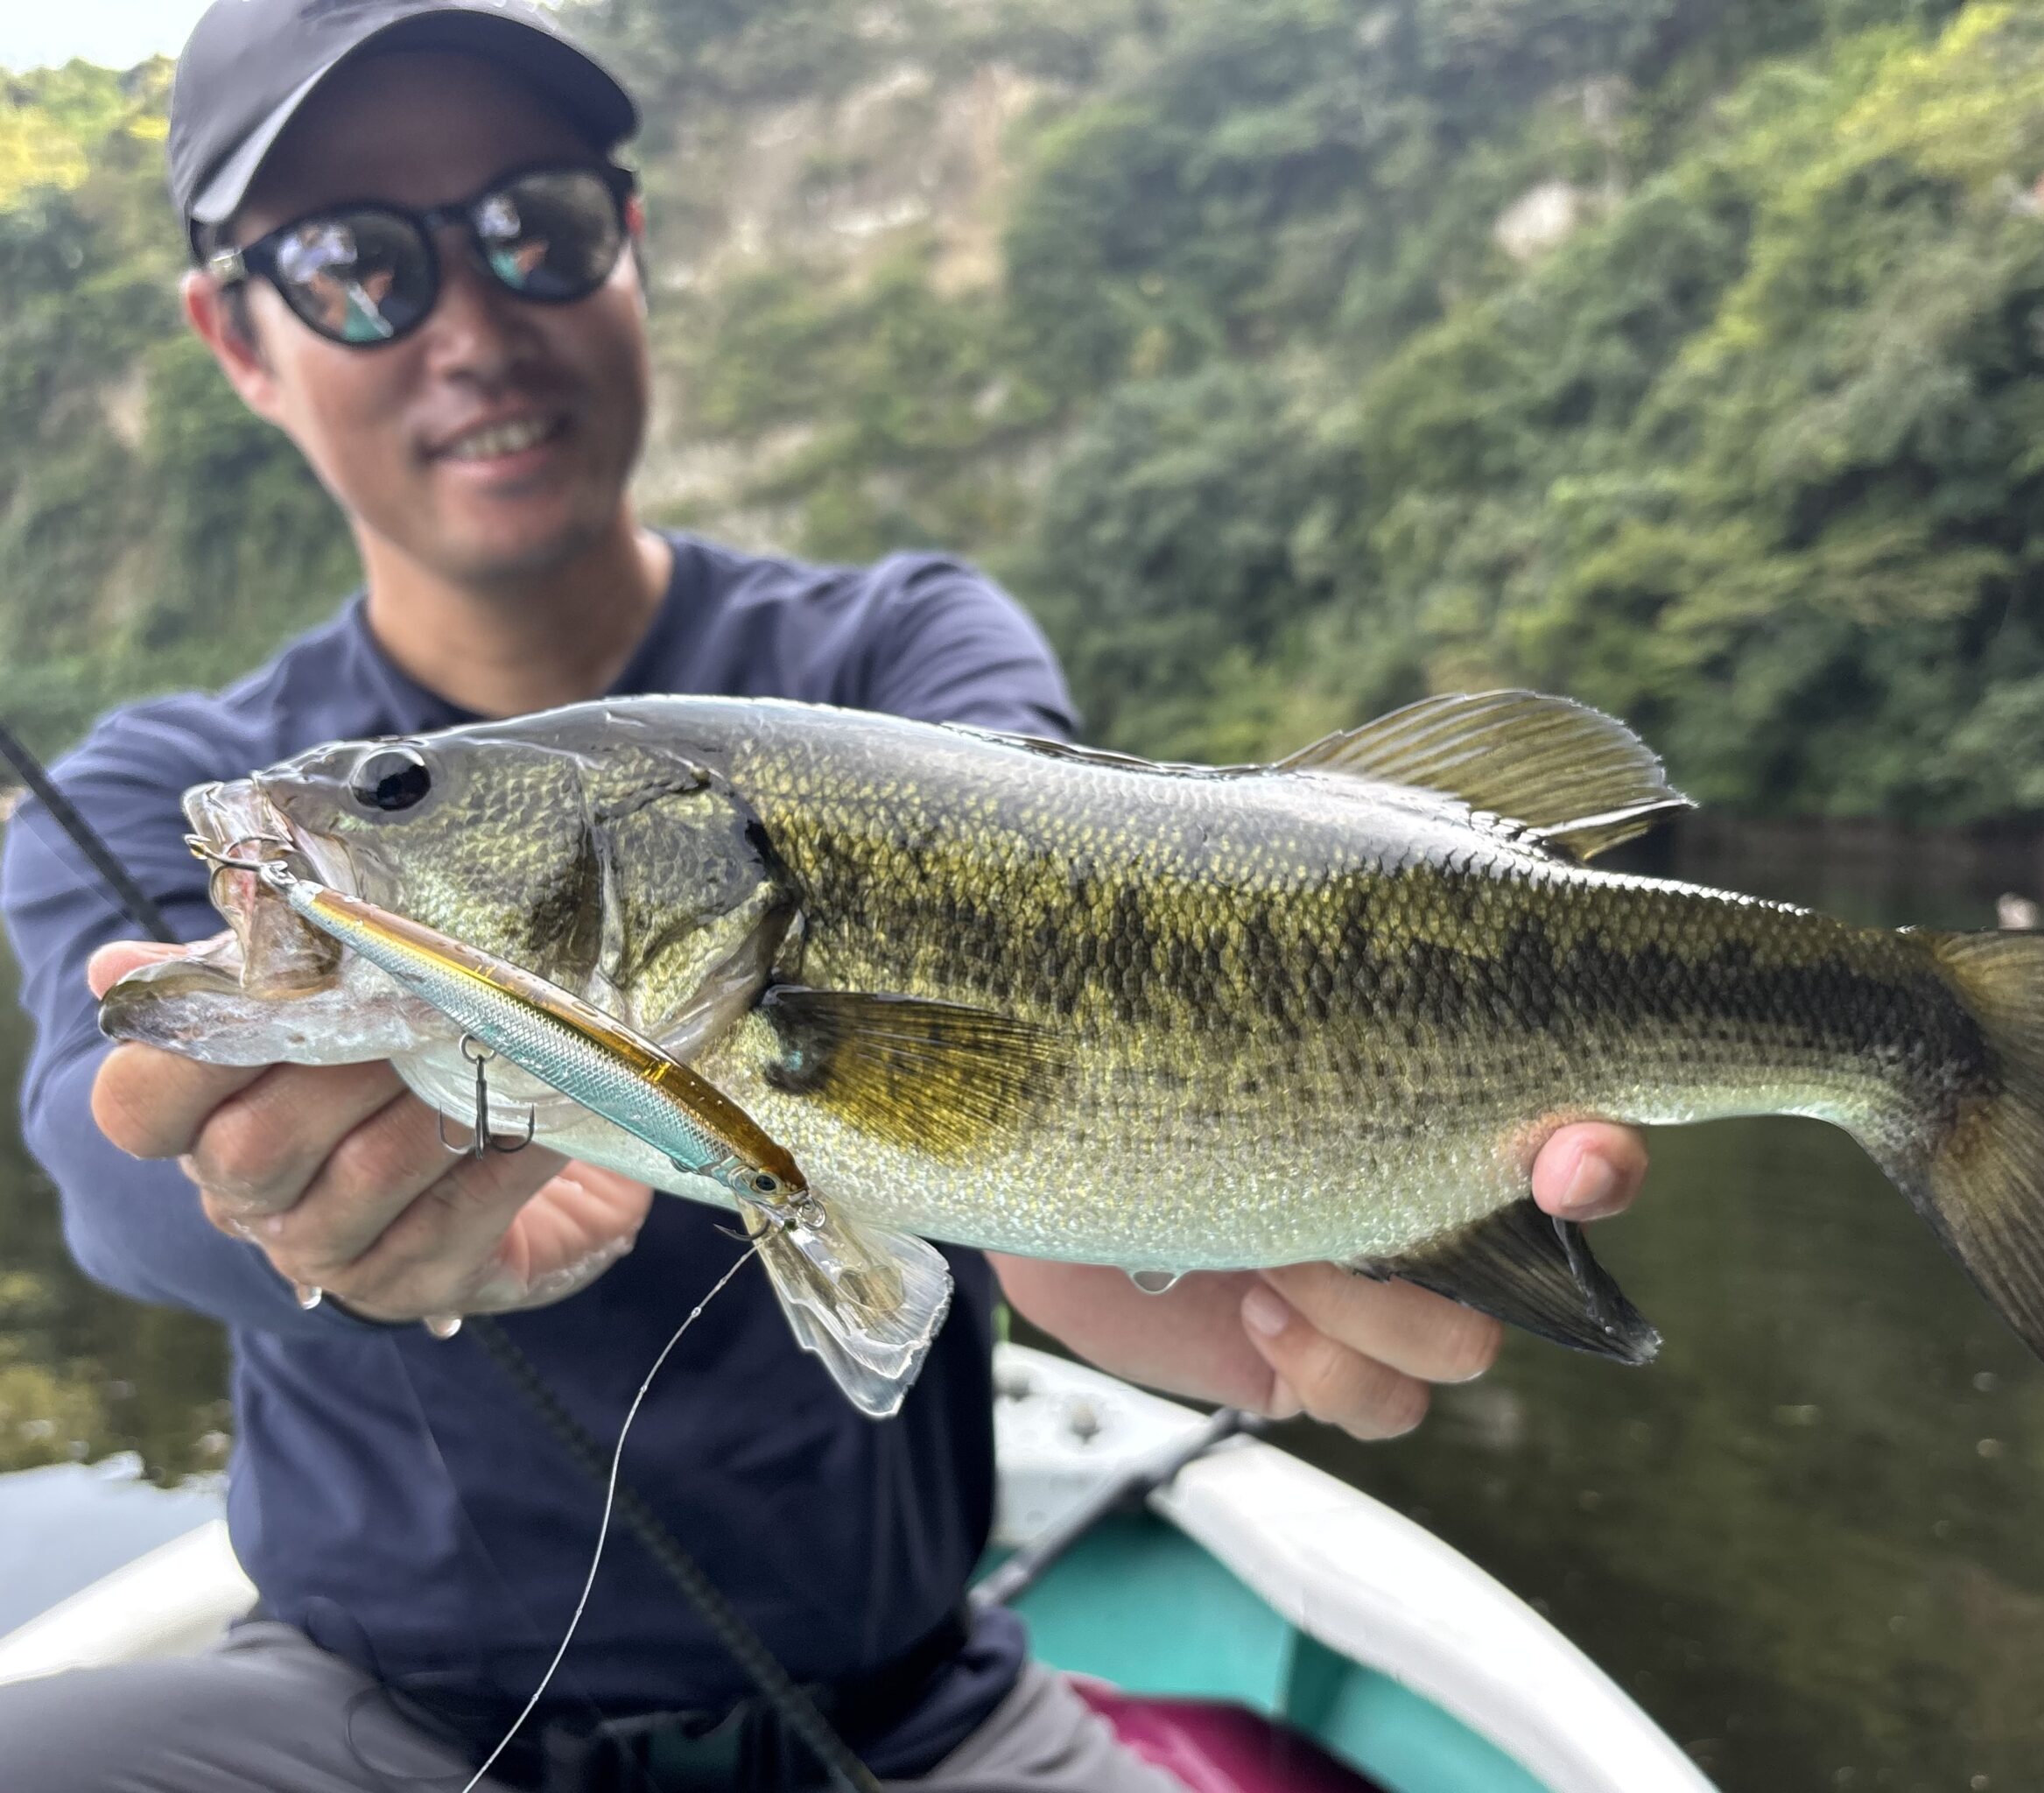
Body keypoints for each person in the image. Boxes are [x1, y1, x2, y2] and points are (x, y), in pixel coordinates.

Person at [0, 3, 1651, 1788]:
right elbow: (102, 1160)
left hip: (923, 1716)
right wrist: (249, 1191)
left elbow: (1036, 1023)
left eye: (536, 228)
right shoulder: (168, 781)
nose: (470, 325)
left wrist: (1125, 1230)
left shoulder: (906, 651)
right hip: (367, 1722)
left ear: (631, 250)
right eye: (354, 267)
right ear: (235, 339)